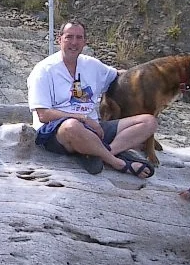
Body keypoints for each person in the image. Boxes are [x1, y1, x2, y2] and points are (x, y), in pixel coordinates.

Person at [26, 21, 157, 177]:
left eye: (79, 38)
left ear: (84, 41)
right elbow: (44, 114)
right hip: (57, 132)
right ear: (59, 39)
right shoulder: (44, 70)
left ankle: (102, 153)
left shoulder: (91, 65)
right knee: (72, 126)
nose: (74, 43)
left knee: (149, 122)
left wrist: (149, 78)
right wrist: (84, 119)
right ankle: (118, 163)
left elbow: (119, 75)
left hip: (94, 129)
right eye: (69, 37)